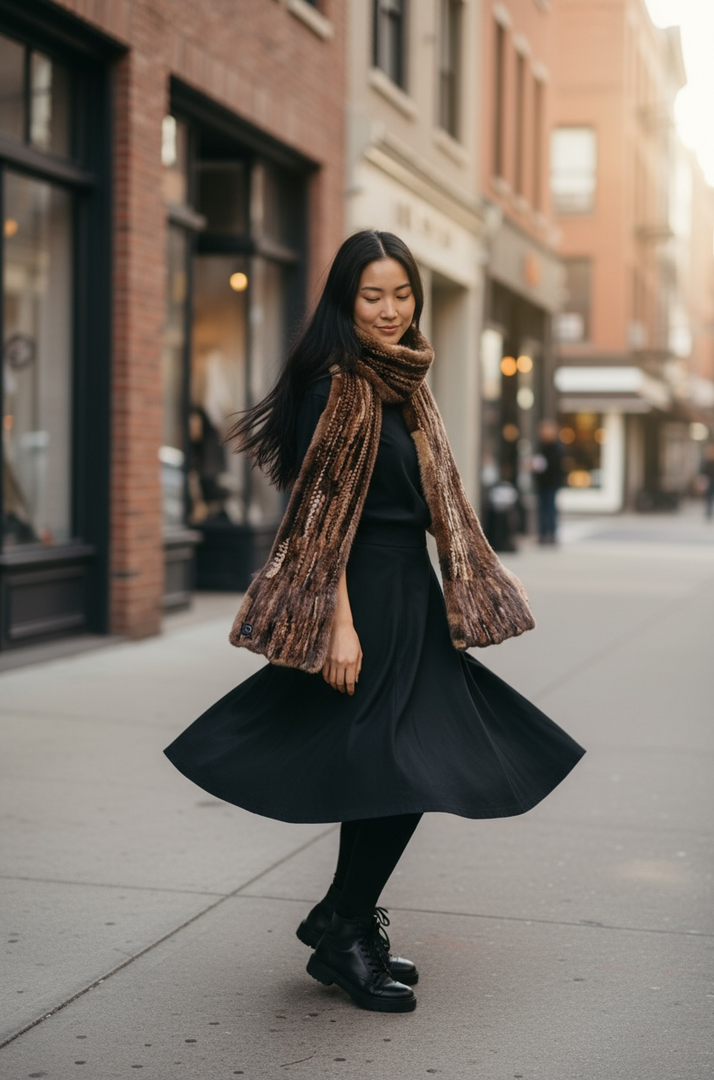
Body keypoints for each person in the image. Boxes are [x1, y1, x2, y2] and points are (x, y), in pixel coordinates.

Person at [164, 230, 585, 1014]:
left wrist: (478, 560)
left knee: (397, 770)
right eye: (373, 296)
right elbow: (325, 519)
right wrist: (338, 626)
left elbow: (433, 496)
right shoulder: (340, 389)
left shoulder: (405, 383)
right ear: (344, 301)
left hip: (411, 593)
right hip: (365, 594)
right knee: (409, 768)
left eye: (402, 293)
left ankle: (340, 920)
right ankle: (346, 928)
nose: (391, 310)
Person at [531, 419, 566, 545]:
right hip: (542, 482)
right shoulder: (541, 446)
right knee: (542, 509)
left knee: (550, 509)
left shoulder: (556, 447)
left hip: (552, 483)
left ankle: (552, 534)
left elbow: (556, 466)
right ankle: (543, 534)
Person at [699, 443, 714, 521]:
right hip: (709, 483)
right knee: (709, 498)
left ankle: (710, 511)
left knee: (712, 498)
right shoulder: (706, 462)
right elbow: (703, 473)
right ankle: (709, 512)